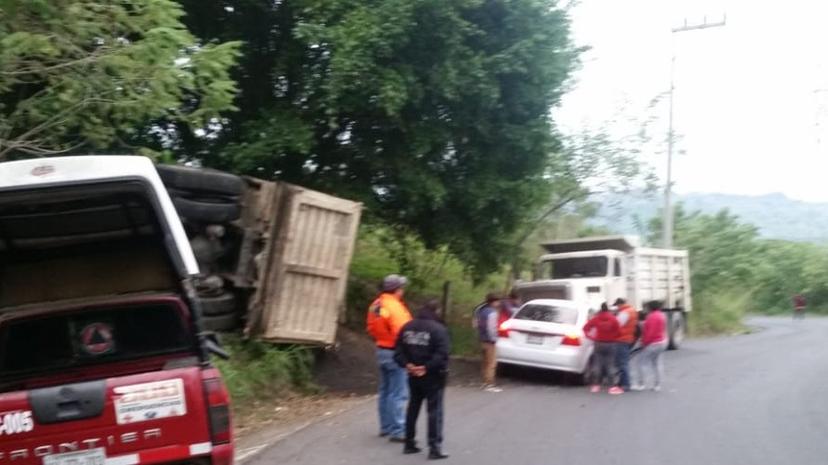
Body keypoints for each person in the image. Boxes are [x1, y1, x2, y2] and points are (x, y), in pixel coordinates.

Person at [394, 300, 451, 460]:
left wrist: (408, 365)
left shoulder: (407, 327)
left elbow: (398, 352)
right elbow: (442, 354)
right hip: (433, 376)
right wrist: (426, 367)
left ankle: (409, 443)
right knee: (434, 411)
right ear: (436, 311)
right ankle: (434, 448)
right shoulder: (439, 329)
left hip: (412, 375)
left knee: (413, 407)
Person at [366, 274, 413, 442]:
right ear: (397, 290)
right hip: (396, 352)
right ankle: (398, 430)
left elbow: (370, 328)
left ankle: (385, 427)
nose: (403, 290)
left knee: (385, 391)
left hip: (382, 350)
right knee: (399, 393)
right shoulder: (395, 307)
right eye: (401, 287)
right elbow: (403, 332)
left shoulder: (376, 304)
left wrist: (383, 338)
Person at [583, 302, 622, 394]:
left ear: (600, 309)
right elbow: (619, 332)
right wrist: (613, 337)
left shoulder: (596, 319)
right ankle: (612, 387)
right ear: (608, 309)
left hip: (598, 343)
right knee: (610, 365)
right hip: (611, 344)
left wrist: (591, 337)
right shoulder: (613, 319)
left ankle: (596, 386)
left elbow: (585, 328)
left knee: (597, 364)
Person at [632, 301, 668, 392]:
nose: (646, 309)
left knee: (641, 362)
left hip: (652, 343)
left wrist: (644, 343)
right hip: (661, 342)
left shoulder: (651, 317)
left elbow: (649, 333)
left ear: (650, 308)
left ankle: (641, 384)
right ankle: (657, 385)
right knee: (656, 363)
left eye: (647, 307)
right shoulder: (662, 315)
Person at [476, 293, 502, 392]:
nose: (498, 303)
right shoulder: (492, 313)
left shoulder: (482, 311)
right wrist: (494, 339)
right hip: (489, 341)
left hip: (482, 339)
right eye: (497, 301)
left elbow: (478, 325)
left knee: (484, 362)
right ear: (493, 302)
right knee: (491, 363)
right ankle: (489, 384)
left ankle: (484, 382)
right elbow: (491, 328)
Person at [613, 298, 639, 392]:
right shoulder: (632, 310)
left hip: (621, 339)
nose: (617, 307)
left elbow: (617, 325)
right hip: (628, 339)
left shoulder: (624, 313)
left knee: (623, 363)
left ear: (620, 304)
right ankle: (622, 382)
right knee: (623, 362)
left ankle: (626, 384)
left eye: (617, 305)